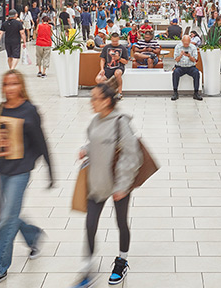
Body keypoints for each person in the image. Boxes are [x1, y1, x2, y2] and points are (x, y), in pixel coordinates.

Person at [0, 70, 54, 288]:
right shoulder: (1, 108)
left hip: (20, 171)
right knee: (7, 214)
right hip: (2, 169)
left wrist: (50, 170)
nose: (10, 88)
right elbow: (1, 136)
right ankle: (33, 236)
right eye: (6, 84)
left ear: (21, 85)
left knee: (6, 218)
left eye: (14, 83)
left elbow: (40, 142)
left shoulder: (29, 111)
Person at [71, 81, 141, 288]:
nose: (91, 102)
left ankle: (122, 260)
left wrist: (122, 186)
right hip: (97, 181)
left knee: (121, 222)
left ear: (107, 101)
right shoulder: (95, 121)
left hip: (119, 184)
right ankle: (87, 269)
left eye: (95, 98)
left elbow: (133, 156)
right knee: (90, 225)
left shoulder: (121, 122)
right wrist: (85, 149)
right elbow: (93, 142)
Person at [171, 33, 203, 101]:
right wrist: (181, 55)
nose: (186, 45)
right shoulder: (178, 47)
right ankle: (175, 92)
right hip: (180, 67)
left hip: (190, 67)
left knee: (196, 73)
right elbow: (176, 59)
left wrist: (189, 56)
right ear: (182, 42)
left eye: (187, 43)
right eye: (185, 43)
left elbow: (195, 60)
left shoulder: (193, 47)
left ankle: (196, 93)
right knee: (175, 73)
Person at [34, 13, 54, 78]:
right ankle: (44, 72)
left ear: (42, 20)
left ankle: (39, 71)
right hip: (47, 44)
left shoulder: (39, 25)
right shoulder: (50, 26)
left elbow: (36, 32)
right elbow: (51, 34)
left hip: (39, 43)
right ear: (48, 21)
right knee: (46, 57)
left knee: (39, 57)